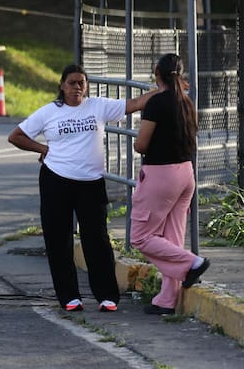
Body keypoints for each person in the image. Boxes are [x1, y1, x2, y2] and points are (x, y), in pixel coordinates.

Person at [9, 64, 156, 313]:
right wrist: (44, 149)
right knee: (59, 239)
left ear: (86, 86)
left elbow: (134, 104)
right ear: (62, 85)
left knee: (97, 238)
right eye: (72, 83)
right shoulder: (49, 112)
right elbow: (16, 136)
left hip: (91, 183)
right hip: (56, 180)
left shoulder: (97, 106)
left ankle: (106, 296)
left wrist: (166, 88)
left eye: (81, 83)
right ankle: (69, 296)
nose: (77, 87)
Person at [129, 53, 209, 315]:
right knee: (172, 238)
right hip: (185, 173)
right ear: (180, 74)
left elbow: (141, 144)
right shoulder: (186, 101)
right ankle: (167, 299)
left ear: (156, 72)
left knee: (140, 237)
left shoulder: (156, 102)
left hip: (160, 175)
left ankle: (192, 263)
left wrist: (139, 142)